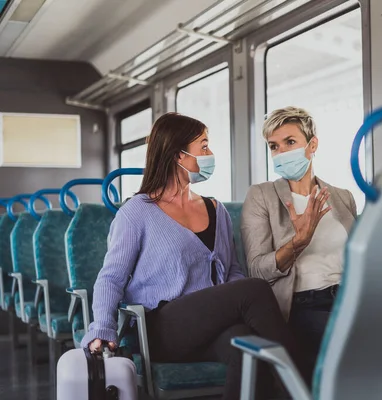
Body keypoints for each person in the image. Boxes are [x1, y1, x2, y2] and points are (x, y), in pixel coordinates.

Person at [81, 112, 302, 399]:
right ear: (178, 155)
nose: (210, 154)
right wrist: (103, 327)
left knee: (249, 348)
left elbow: (232, 272)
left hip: (211, 324)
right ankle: (306, 388)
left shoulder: (215, 209)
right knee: (255, 289)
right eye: (204, 146)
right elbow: (111, 278)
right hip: (162, 326)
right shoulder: (137, 212)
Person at [241, 106, 357, 377]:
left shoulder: (342, 197)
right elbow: (257, 270)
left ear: (312, 144)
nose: (281, 153)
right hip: (305, 304)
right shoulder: (261, 196)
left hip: (349, 299)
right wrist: (299, 241)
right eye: (274, 146)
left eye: (290, 142)